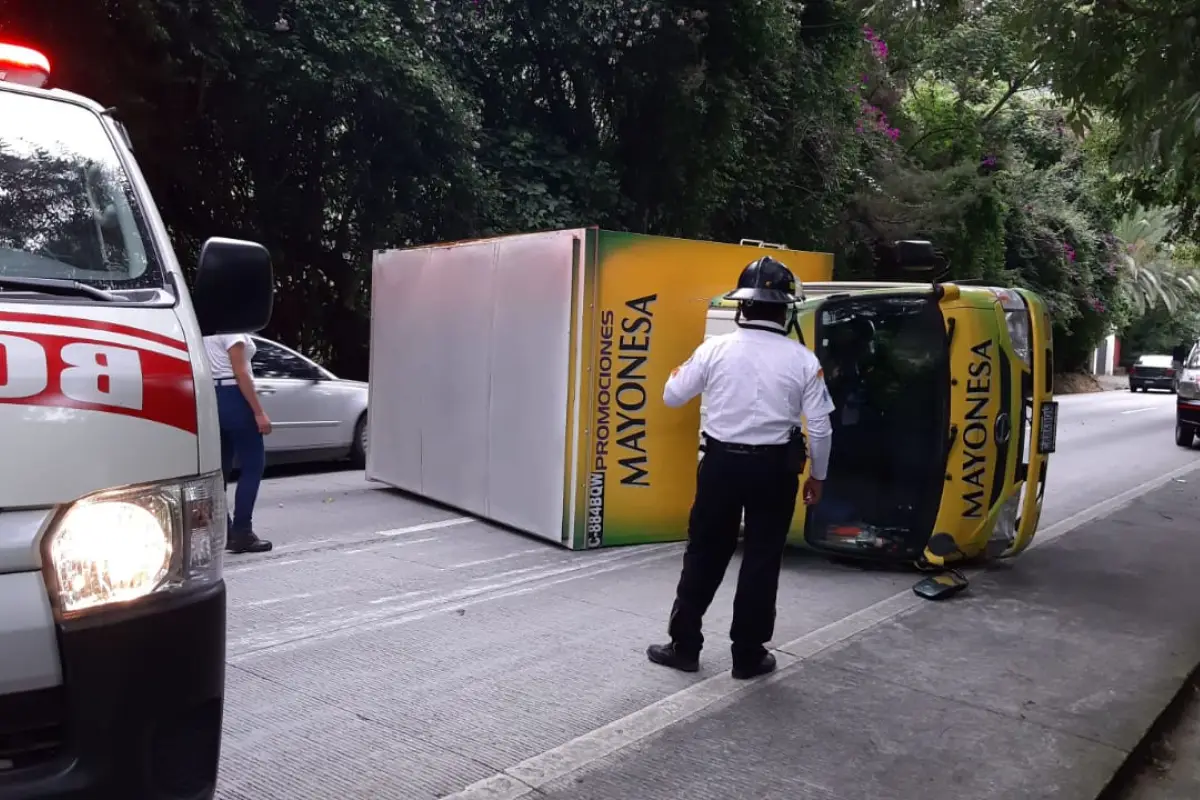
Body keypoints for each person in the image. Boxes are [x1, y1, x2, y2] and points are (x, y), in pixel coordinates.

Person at [647, 255, 834, 680]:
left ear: (741, 305)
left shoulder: (714, 350)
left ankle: (684, 646)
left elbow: (673, 395)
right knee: (762, 559)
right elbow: (820, 428)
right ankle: (748, 656)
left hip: (720, 466)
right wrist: (817, 477)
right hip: (775, 471)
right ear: (786, 309)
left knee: (704, 553)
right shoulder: (803, 360)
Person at [204, 333, 274, 554]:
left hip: (210, 395)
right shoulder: (232, 332)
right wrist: (259, 412)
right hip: (234, 394)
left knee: (220, 469)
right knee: (253, 464)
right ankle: (243, 531)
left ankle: (224, 531)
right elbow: (240, 373)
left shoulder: (204, 328)